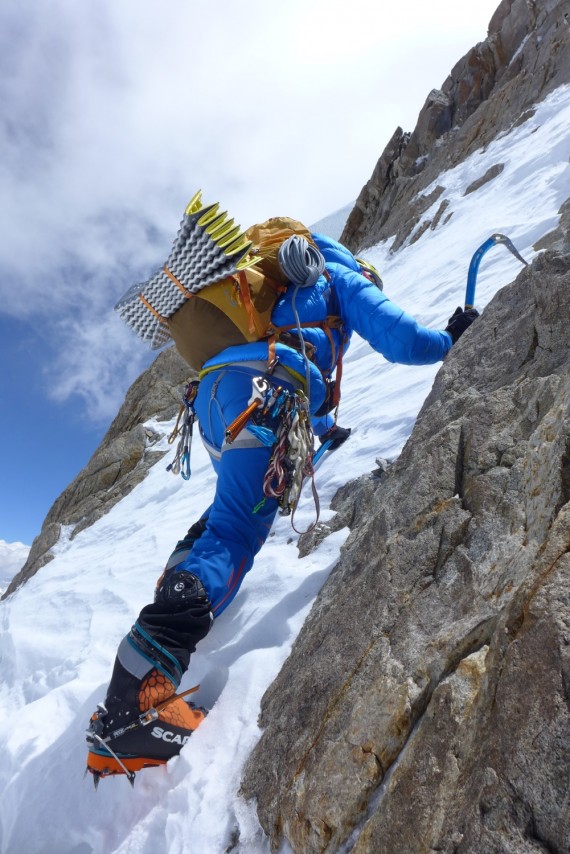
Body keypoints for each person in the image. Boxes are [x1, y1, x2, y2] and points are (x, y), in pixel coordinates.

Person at [86, 229, 478, 781]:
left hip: (216, 395)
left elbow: (301, 348)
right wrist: (451, 338)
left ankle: (169, 614)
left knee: (224, 519)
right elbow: (400, 337)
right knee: (235, 534)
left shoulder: (280, 290)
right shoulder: (341, 278)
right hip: (264, 388)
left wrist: (322, 430)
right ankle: (135, 699)